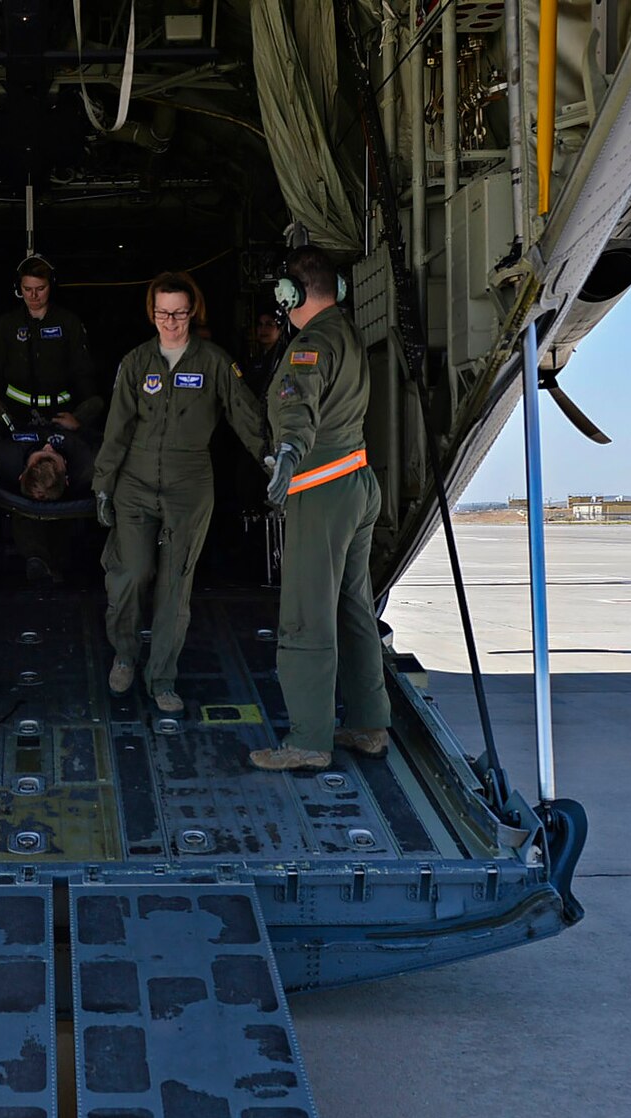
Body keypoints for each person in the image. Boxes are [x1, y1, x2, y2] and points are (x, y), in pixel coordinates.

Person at [93, 270, 268, 714]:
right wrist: (103, 484)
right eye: (162, 313)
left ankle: (163, 677)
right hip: (134, 480)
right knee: (130, 574)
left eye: (179, 314)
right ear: (151, 315)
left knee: (176, 584)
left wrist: (271, 457)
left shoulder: (214, 362)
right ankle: (126, 655)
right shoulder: (135, 363)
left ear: (193, 313)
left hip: (189, 483)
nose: (171, 322)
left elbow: (244, 414)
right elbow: (117, 428)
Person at [249, 246, 390, 772]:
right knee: (353, 609)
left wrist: (286, 451)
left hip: (321, 487)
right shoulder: (349, 333)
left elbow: (298, 399)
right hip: (357, 482)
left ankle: (309, 739)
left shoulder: (311, 343)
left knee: (307, 615)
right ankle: (369, 723)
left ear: (290, 294)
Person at [0, 254, 105, 437]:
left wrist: (80, 417)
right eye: (27, 289)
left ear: (51, 286)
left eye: (40, 288)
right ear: (19, 288)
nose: (33, 295)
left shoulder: (68, 323)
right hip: (15, 419)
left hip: (60, 416)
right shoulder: (6, 325)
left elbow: (84, 374)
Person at [244, 311, 285, 400]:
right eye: (260, 324)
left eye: (269, 325)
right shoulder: (256, 359)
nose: (263, 329)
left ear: (280, 330)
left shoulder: (284, 357)